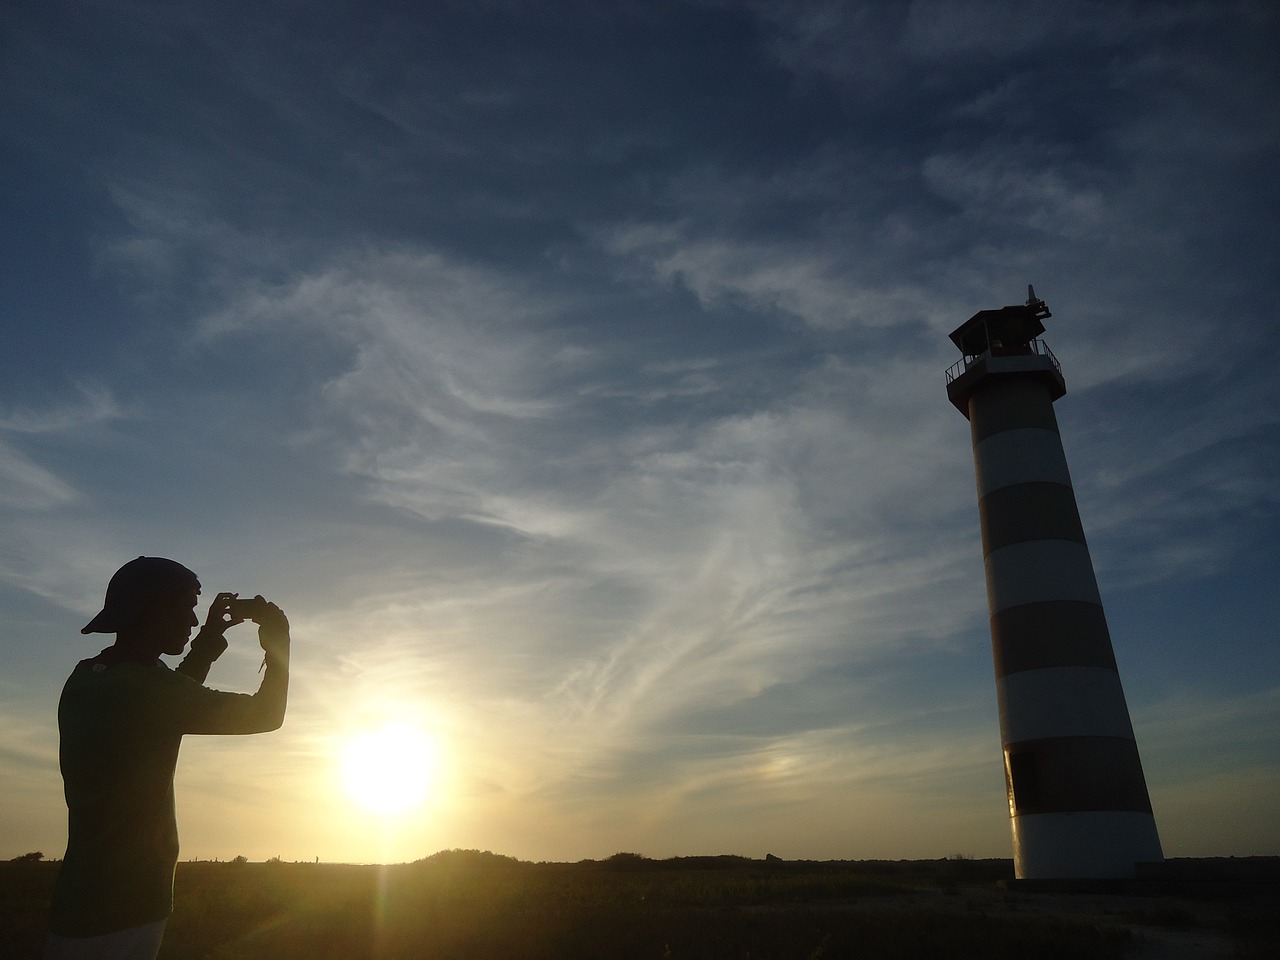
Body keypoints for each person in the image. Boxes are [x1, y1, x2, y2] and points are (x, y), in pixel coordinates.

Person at [44, 556, 290, 960]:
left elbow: (168, 701)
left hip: (82, 900)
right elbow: (266, 715)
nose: (193, 621)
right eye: (188, 607)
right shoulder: (145, 688)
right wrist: (279, 646)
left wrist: (209, 639)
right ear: (155, 608)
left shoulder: (89, 676)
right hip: (125, 908)